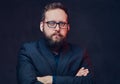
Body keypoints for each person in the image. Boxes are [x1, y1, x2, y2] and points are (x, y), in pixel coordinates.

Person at [17, 2, 94, 84]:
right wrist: (73, 80)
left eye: (62, 23)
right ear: (42, 26)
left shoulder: (80, 53)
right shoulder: (28, 51)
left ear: (68, 27)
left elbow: (89, 82)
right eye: (51, 23)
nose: (57, 28)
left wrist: (50, 80)